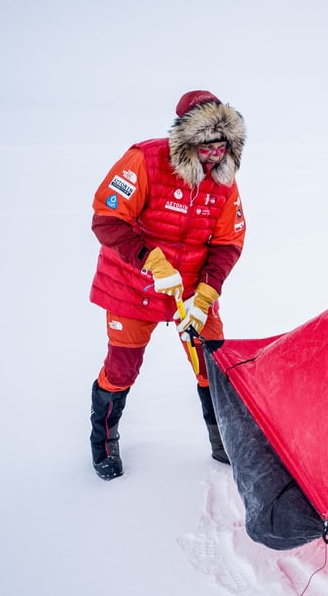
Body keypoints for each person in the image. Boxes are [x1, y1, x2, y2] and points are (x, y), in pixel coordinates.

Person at [87, 90, 246, 480]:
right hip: (132, 286)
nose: (214, 157)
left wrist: (206, 293)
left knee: (212, 364)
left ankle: (222, 441)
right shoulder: (143, 160)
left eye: (222, 148)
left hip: (190, 292)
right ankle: (103, 444)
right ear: (187, 141)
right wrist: (152, 261)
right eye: (207, 148)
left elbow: (229, 242)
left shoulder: (224, 182)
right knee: (122, 368)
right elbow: (107, 220)